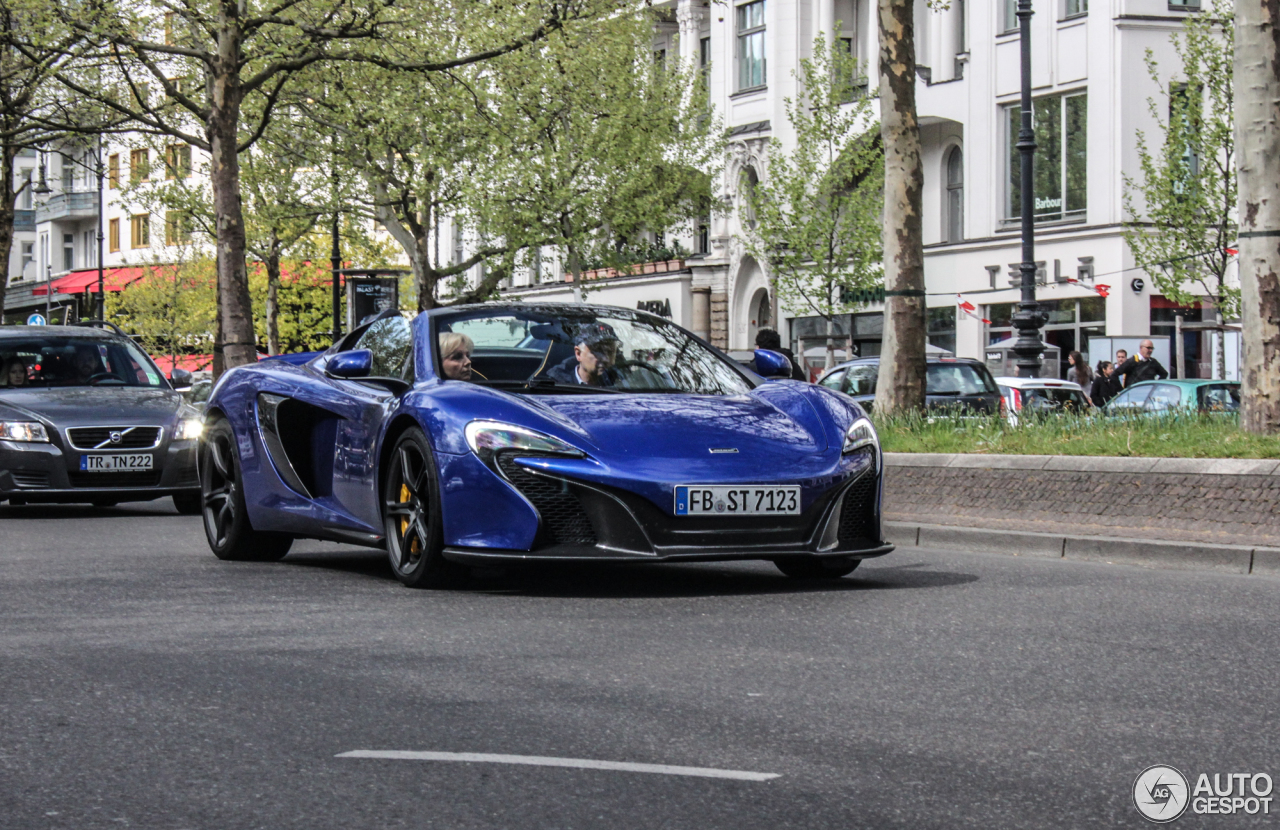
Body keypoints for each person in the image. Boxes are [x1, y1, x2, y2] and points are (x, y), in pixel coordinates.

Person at [547, 322, 620, 387]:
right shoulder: (557, 387)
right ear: (578, 353)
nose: (606, 359)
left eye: (610, 352)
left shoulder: (620, 383)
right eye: (598, 351)